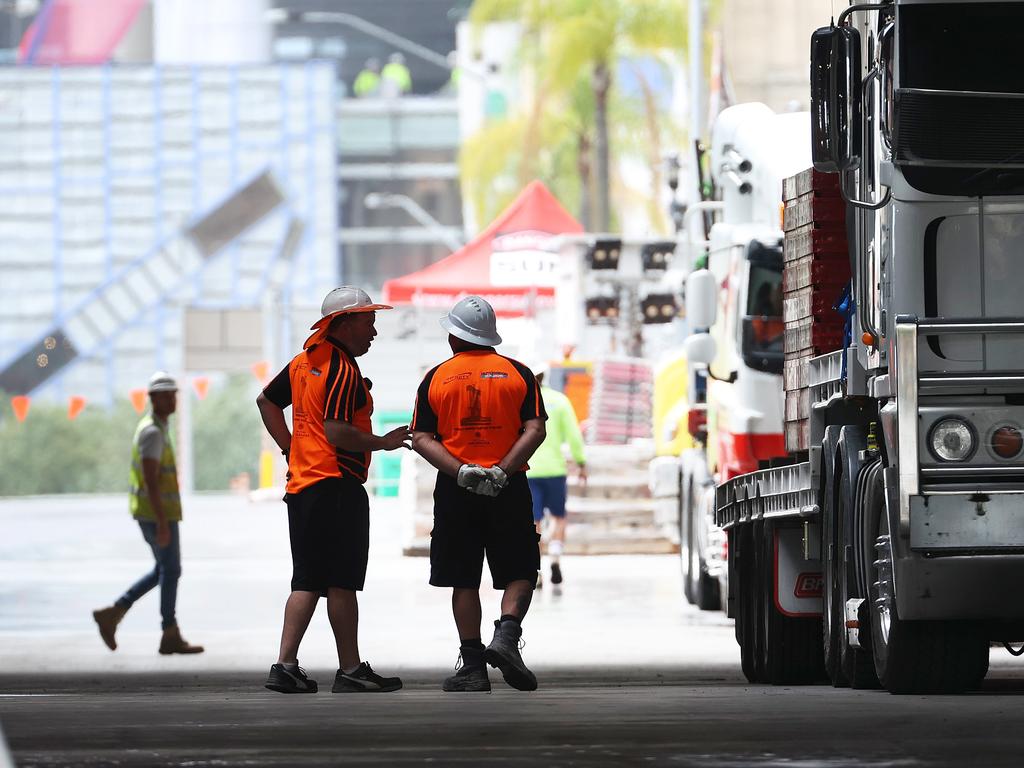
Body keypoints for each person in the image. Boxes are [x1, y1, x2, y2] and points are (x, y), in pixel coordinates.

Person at [256, 286, 411, 694]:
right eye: (368, 323)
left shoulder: (304, 362)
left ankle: (285, 665)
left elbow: (266, 402)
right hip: (336, 486)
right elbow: (338, 432)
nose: (373, 332)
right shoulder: (342, 369)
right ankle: (351, 670)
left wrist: (291, 448)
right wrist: (383, 441)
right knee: (342, 581)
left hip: (304, 485)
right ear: (342, 323)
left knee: (306, 580)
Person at [411, 296, 547, 693]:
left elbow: (421, 437)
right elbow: (535, 429)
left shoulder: (435, 377)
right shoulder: (518, 373)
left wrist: (463, 472)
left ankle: (472, 667)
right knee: (521, 567)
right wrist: (501, 471)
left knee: (463, 576)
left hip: (457, 490)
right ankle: (506, 635)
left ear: (455, 337)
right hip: (508, 487)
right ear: (490, 337)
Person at [92, 372, 203, 656]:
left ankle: (115, 613)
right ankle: (168, 631)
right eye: (166, 395)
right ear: (153, 399)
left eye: (173, 394)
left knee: (164, 570)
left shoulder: (158, 428)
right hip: (156, 515)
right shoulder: (153, 432)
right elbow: (151, 479)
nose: (172, 399)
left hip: (157, 513)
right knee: (171, 570)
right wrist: (163, 522)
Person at [526, 362, 586, 588]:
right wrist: (581, 462)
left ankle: (536, 569)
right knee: (559, 516)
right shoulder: (560, 401)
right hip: (555, 470)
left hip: (529, 470)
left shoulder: (522, 402)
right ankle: (556, 556)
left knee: (533, 521)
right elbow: (573, 435)